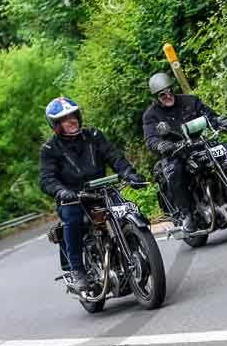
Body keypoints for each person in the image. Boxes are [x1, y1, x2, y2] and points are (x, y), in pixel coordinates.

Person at [39, 96, 146, 293]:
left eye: (73, 116)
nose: (71, 121)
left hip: (102, 191)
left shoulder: (94, 135)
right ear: (56, 125)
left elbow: (114, 156)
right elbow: (46, 179)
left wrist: (128, 173)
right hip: (73, 198)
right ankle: (78, 270)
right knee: (72, 221)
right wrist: (62, 192)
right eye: (65, 119)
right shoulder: (49, 149)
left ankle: (136, 248)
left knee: (128, 210)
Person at [142, 72, 227, 233]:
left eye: (169, 91)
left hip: (199, 144)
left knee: (226, 151)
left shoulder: (190, 101)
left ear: (173, 89)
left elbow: (210, 116)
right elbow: (150, 139)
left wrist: (222, 122)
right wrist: (161, 145)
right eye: (162, 94)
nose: (167, 96)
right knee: (175, 171)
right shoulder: (151, 115)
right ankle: (187, 214)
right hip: (175, 152)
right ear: (156, 97)